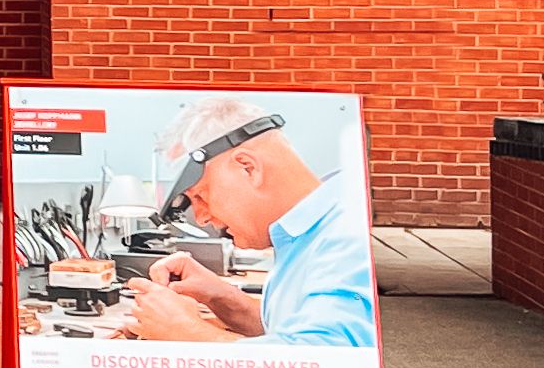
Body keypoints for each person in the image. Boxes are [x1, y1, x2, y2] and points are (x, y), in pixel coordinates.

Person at [125, 98, 376, 348]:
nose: (200, 217)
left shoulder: (346, 236)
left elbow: (324, 363)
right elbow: (292, 332)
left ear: (248, 168)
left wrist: (186, 331)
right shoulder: (307, 236)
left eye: (200, 195)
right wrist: (225, 299)